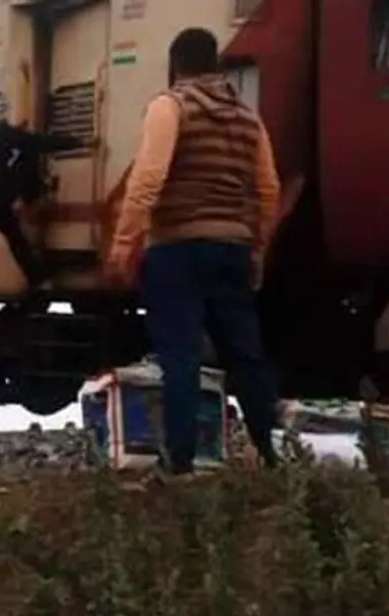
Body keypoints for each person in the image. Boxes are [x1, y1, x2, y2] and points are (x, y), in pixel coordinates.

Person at [106, 27, 282, 481]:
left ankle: (180, 462)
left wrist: (126, 241)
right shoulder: (248, 118)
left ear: (176, 63)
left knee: (180, 353)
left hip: (180, 247)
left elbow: (148, 177)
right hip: (234, 246)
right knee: (245, 354)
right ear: (217, 65)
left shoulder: (171, 106)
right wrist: (258, 247)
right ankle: (272, 453)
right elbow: (268, 189)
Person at [0, 93, 86, 294]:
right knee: (17, 238)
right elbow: (34, 141)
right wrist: (73, 141)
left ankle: (39, 279)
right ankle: (35, 197)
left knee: (14, 236)